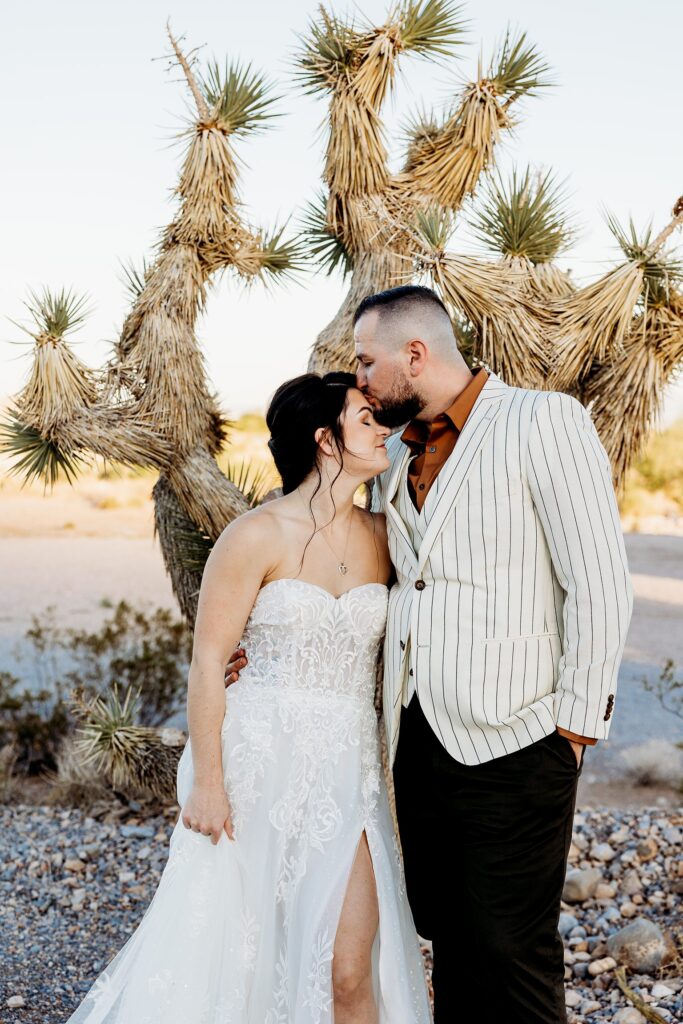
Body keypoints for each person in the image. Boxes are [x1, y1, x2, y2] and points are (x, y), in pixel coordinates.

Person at [228, 284, 634, 1024]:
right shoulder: (389, 458)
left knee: (512, 952)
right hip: (414, 746)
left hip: (521, 735)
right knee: (449, 940)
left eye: (364, 361)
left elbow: (600, 586)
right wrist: (259, 647)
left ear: (414, 355)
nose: (358, 379)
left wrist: (571, 734)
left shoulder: (542, 421)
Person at [64, 371, 433, 1024]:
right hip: (256, 761)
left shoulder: (385, 536)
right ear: (325, 439)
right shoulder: (255, 535)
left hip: (351, 770)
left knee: (349, 970)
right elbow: (209, 660)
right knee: (238, 955)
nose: (383, 431)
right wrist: (208, 782)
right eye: (366, 420)